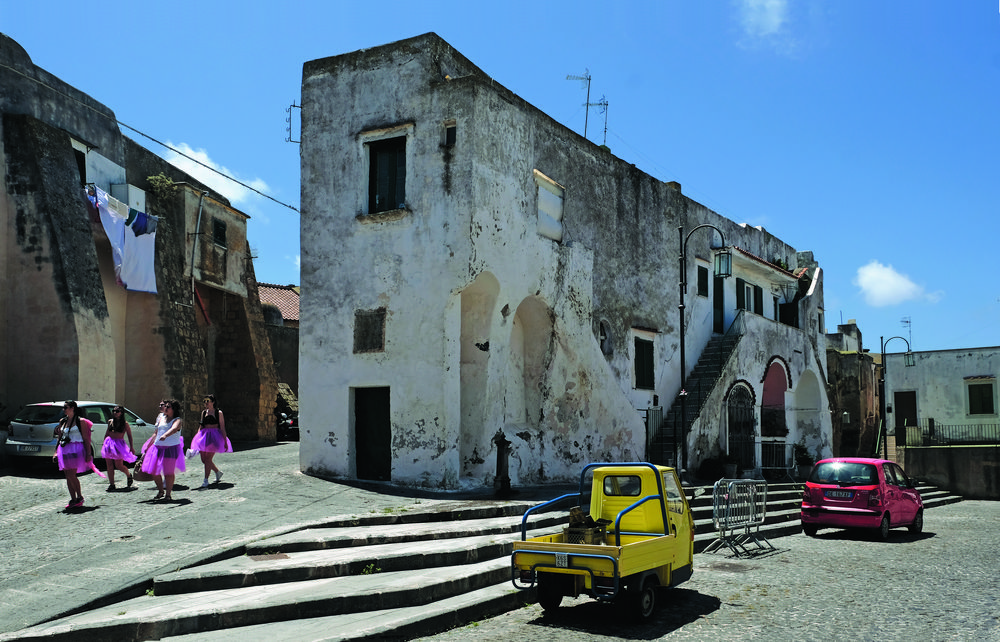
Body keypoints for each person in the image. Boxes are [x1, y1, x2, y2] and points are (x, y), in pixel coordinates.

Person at [139, 399, 185, 501]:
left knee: (168, 472)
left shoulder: (177, 420)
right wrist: (147, 447)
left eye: (168, 407)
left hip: (170, 448)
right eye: (165, 406)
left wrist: (165, 435)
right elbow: (156, 433)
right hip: (157, 447)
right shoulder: (161, 418)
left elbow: (174, 429)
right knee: (154, 471)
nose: (165, 408)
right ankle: (161, 491)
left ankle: (168, 495)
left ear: (174, 409)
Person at [52, 400, 94, 508]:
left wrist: (88, 453)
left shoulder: (81, 421)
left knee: (72, 475)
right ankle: (73, 499)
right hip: (64, 449)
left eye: (66, 407)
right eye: (64, 407)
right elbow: (59, 438)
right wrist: (55, 452)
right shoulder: (62, 421)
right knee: (67, 476)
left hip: (76, 449)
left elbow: (86, 438)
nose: (64, 409)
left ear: (72, 408)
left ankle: (79, 497)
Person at [190, 394, 232, 488]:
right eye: (204, 401)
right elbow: (201, 426)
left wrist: (225, 441)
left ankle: (205, 480)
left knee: (208, 459)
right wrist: (197, 438)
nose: (206, 403)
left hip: (215, 437)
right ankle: (217, 472)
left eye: (207, 401)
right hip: (204, 436)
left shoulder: (218, 413)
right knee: (204, 460)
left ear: (213, 402)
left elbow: (222, 427)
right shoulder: (204, 412)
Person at [100, 405, 136, 491]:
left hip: (119, 444)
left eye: (117, 411)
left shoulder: (125, 424)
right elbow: (107, 433)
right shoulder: (110, 421)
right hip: (109, 443)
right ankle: (112, 484)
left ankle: (128, 475)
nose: (115, 413)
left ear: (121, 413)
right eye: (114, 411)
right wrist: (104, 443)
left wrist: (131, 447)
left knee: (119, 465)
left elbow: (129, 436)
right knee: (109, 465)